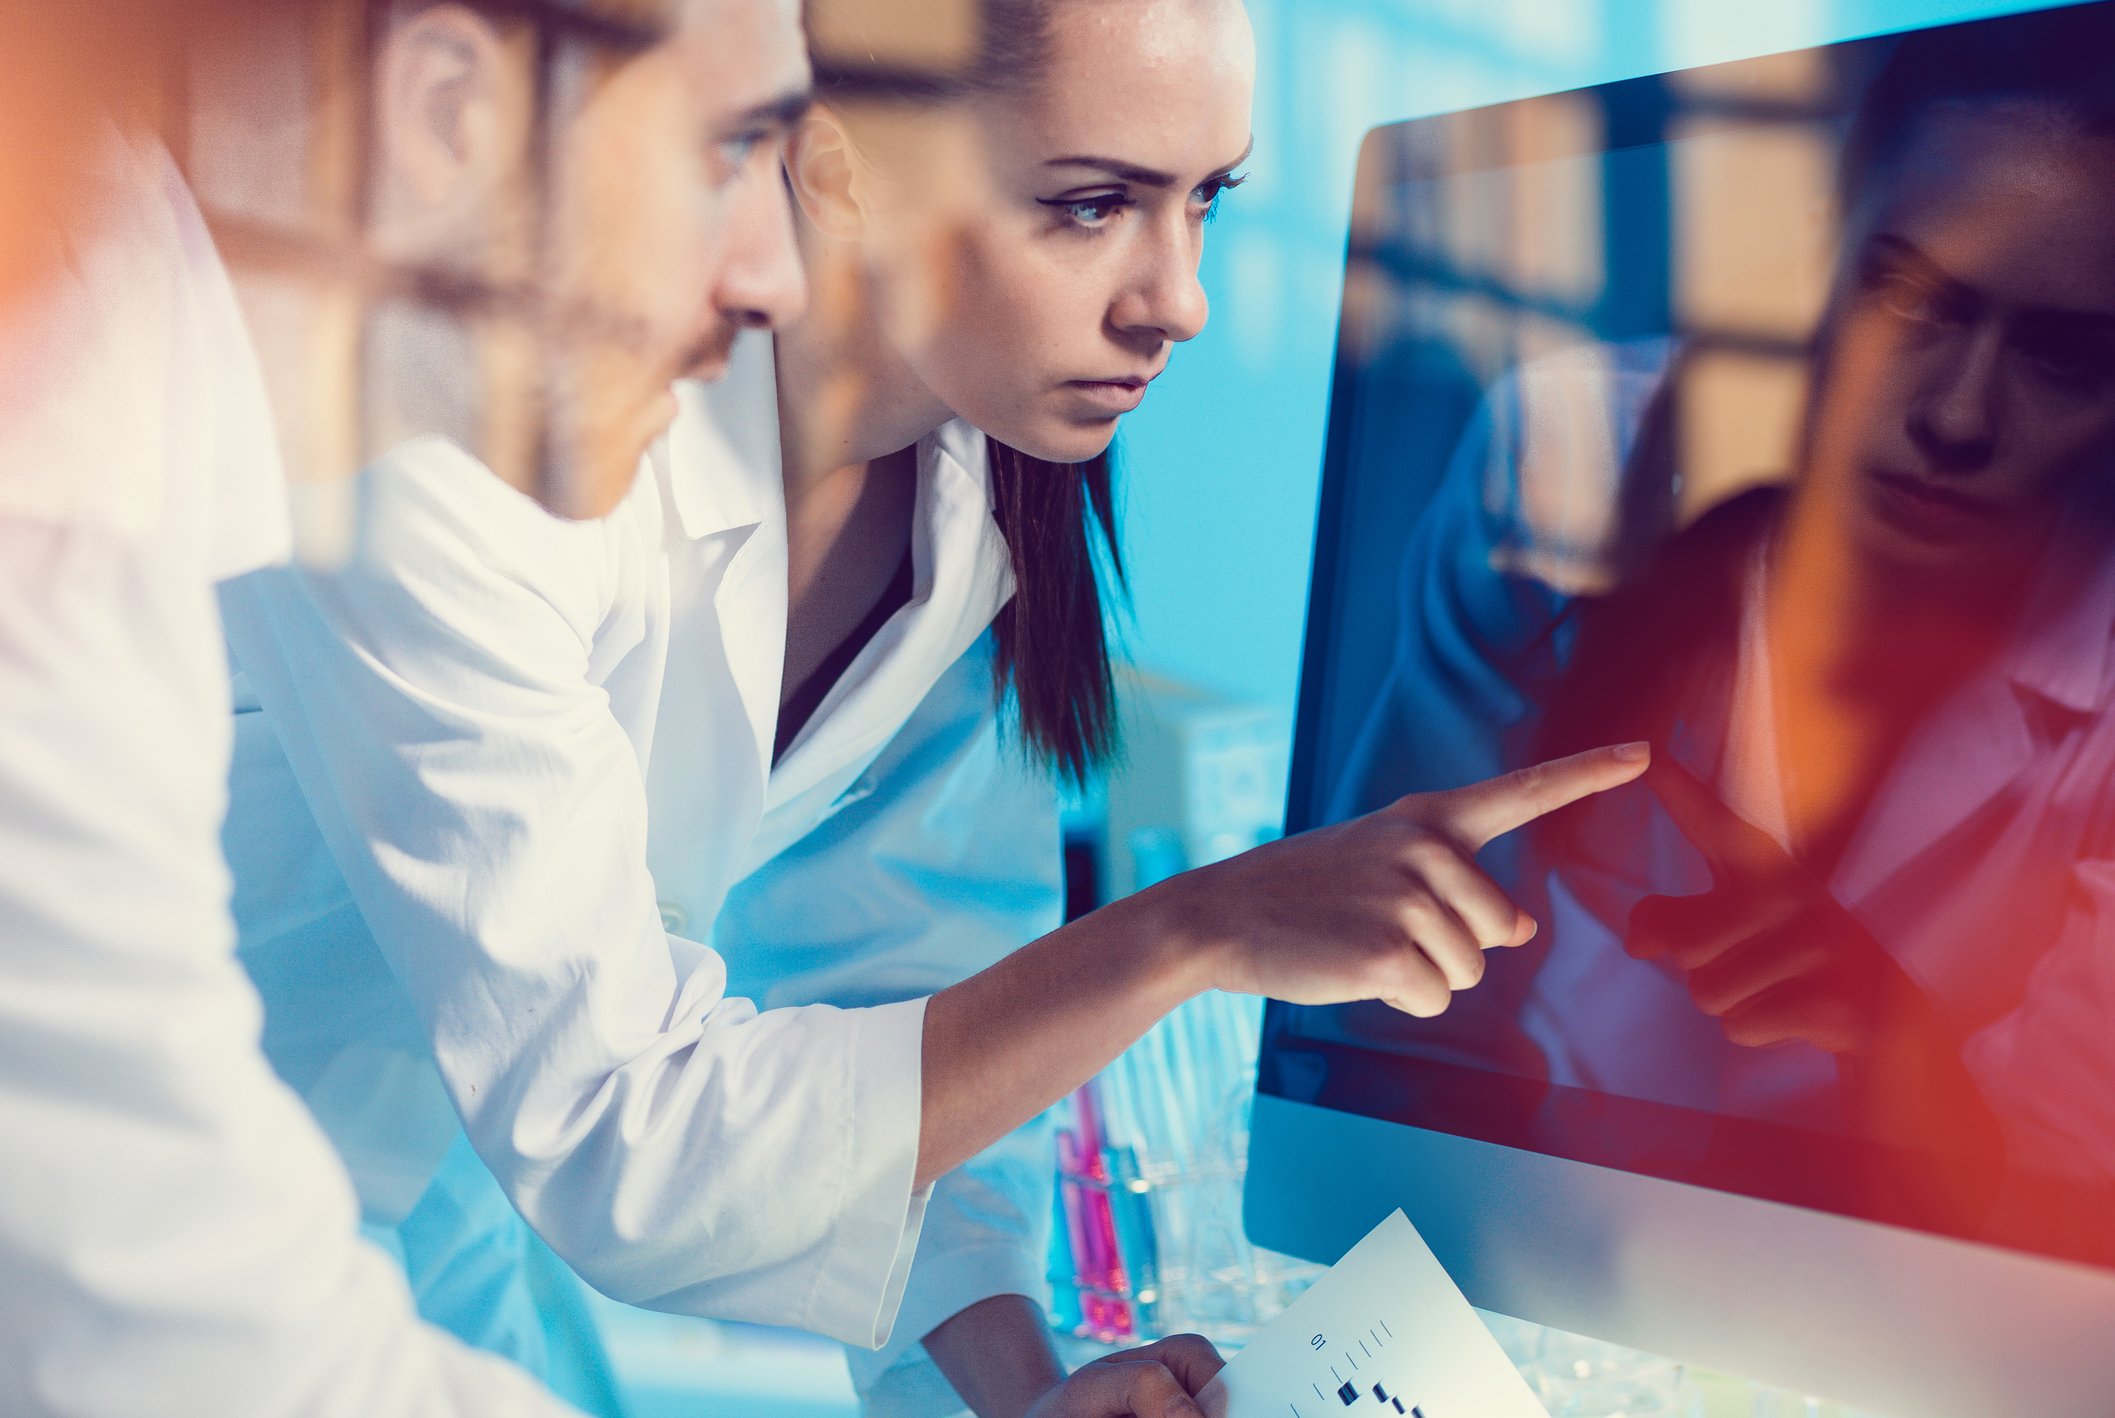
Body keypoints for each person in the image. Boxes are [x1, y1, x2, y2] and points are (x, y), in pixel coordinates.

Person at [218, 0, 1653, 1413]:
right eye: (1090, 206)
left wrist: (1020, 1389)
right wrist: (1196, 926)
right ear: (838, 168)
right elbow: (624, 1145)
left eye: (1207, 199)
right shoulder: (466, 432)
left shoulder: (984, 472)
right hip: (129, 1210)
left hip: (414, 1258)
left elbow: (910, 972)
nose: (1180, 299)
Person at [1330, 3, 2115, 1255]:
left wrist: (1899, 1052)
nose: (1959, 418)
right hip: (1535, 1261)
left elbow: (2080, 1223)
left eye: (2068, 359)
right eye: (1911, 298)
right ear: (1823, 261)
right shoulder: (1571, 457)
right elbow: (1379, 1012)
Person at [0, 9, 584, 1413]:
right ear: (452, 107)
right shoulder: (67, 392)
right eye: (724, 149)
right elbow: (167, 1314)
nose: (767, 277)